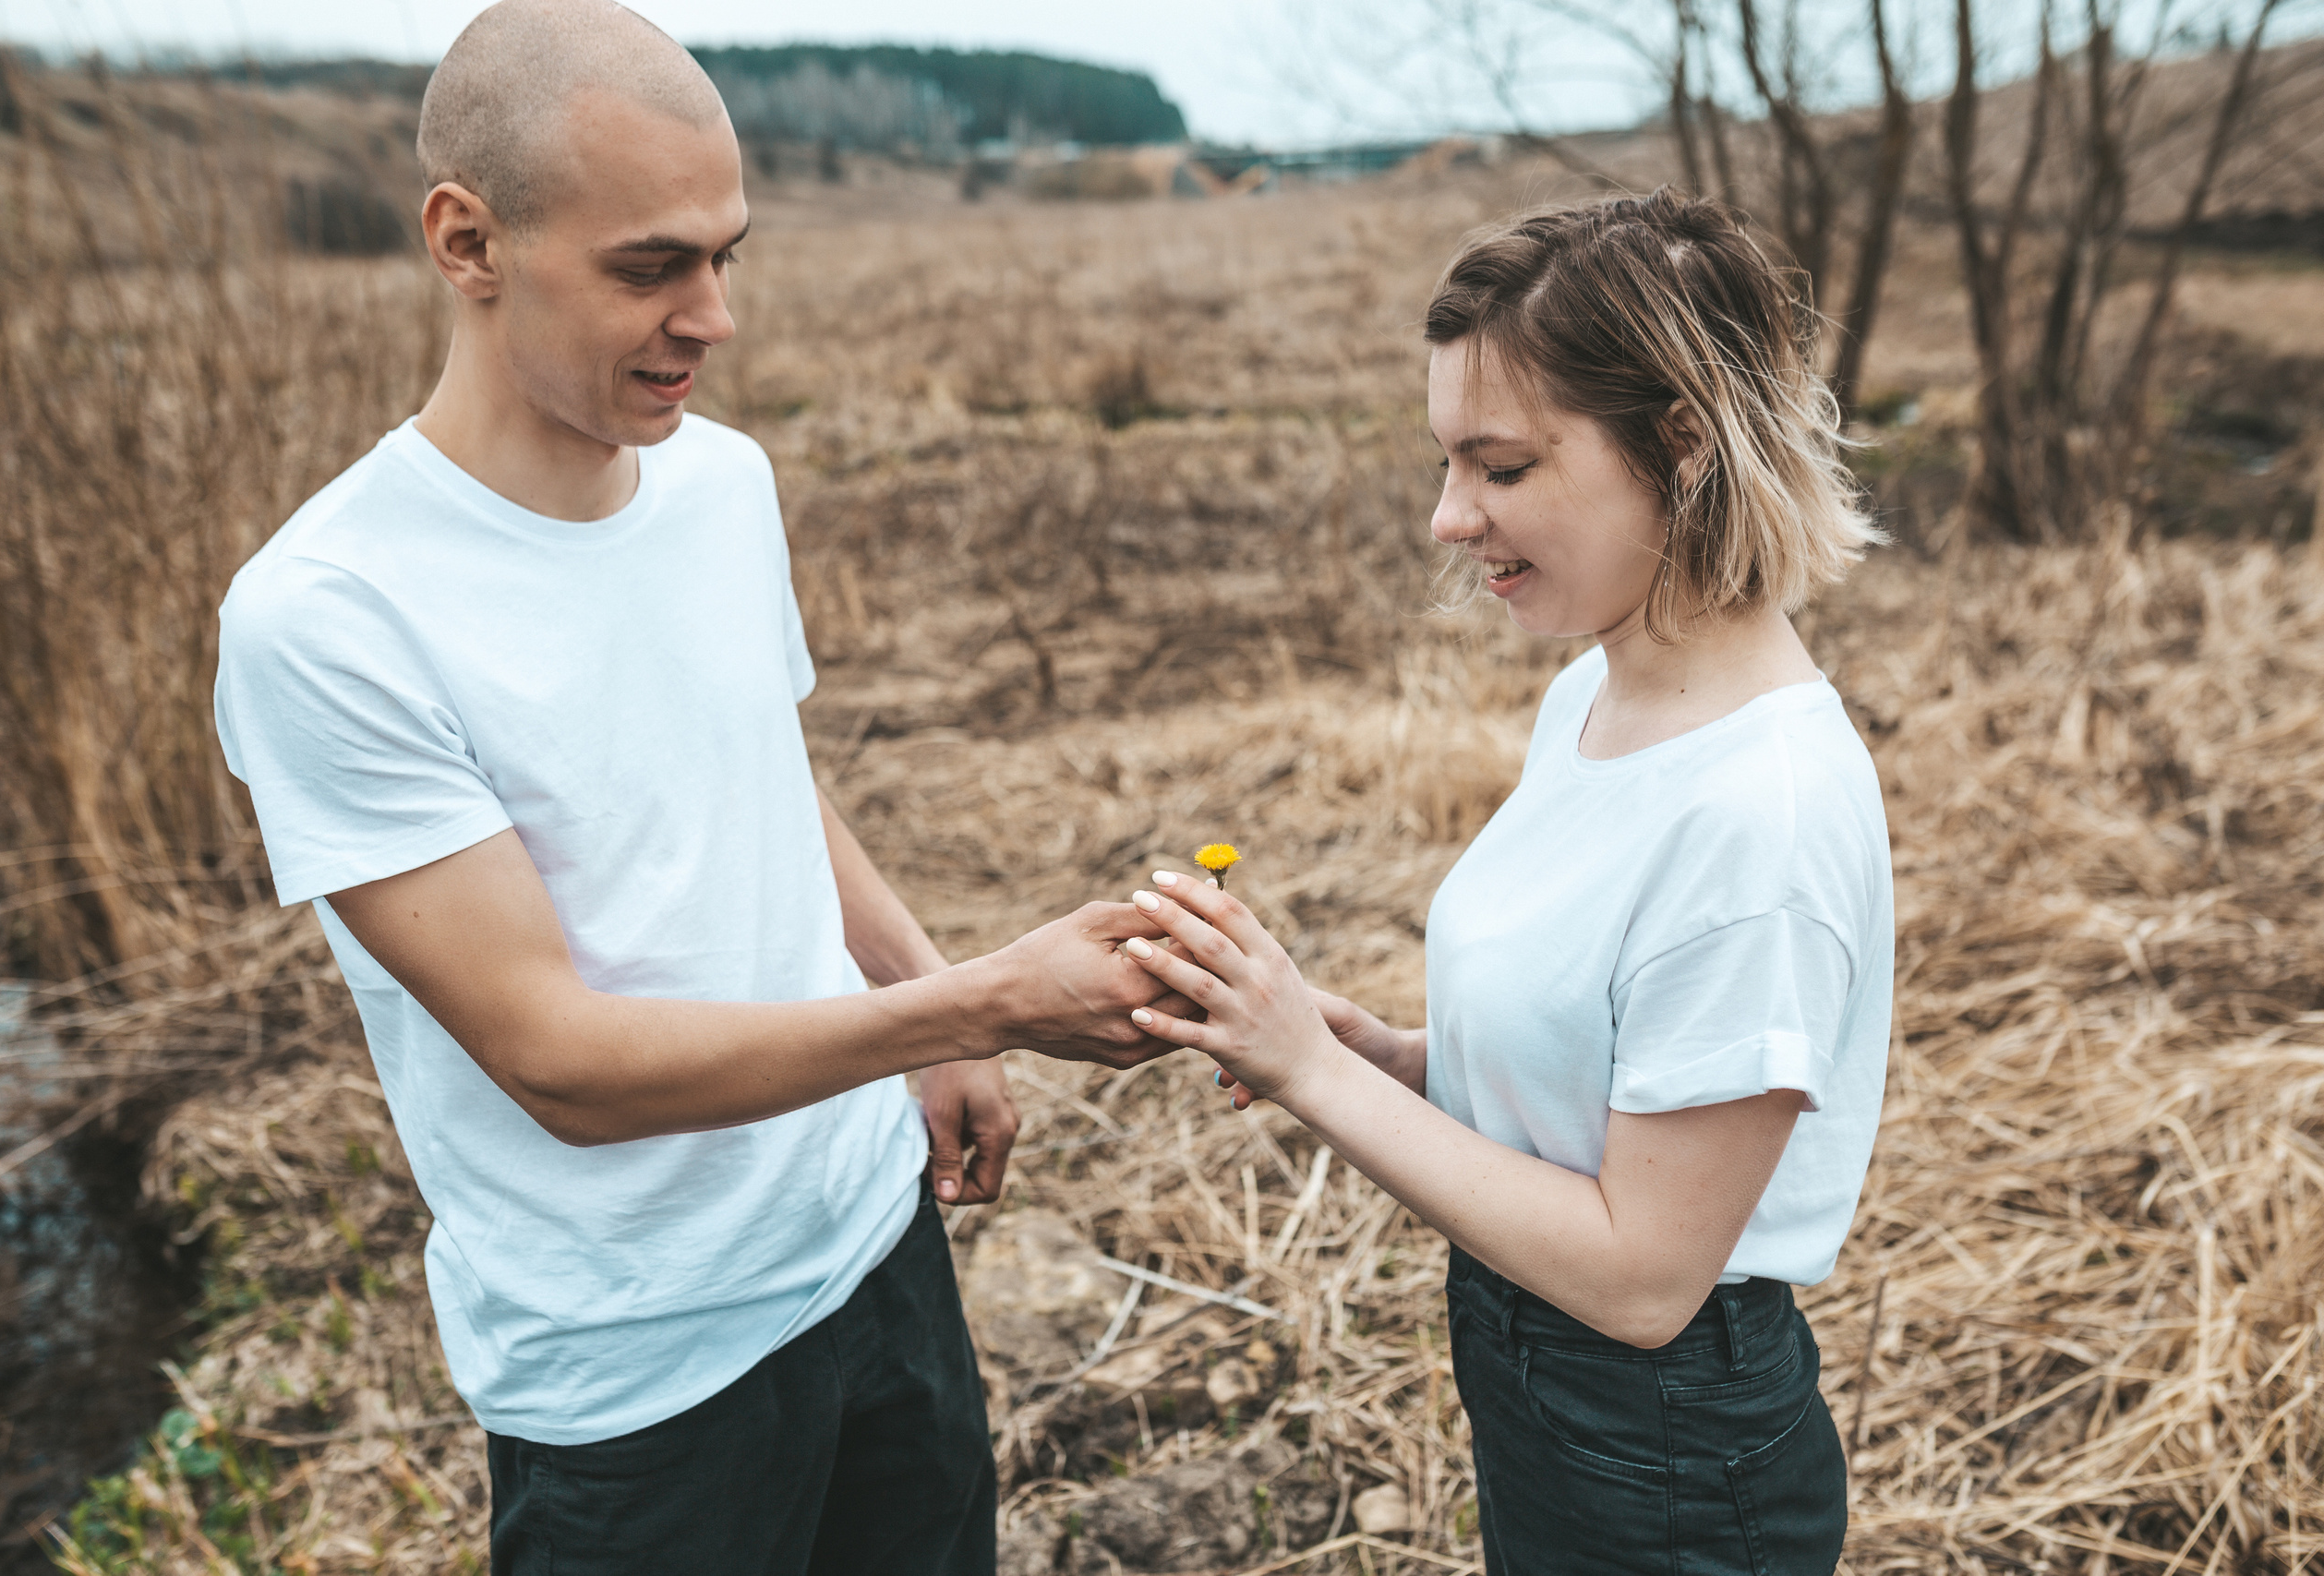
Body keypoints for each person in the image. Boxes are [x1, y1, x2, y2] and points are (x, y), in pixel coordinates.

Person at [211, 4, 1174, 1570]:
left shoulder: (724, 483)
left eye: (727, 257)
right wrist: (983, 1003)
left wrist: (926, 998)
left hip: (876, 1247)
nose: (713, 318)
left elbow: (760, 776)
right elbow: (563, 1065)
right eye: (651, 267)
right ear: (468, 242)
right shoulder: (331, 614)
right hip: (641, 1378)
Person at [1113, 193, 1894, 1574]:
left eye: (1504, 467)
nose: (1447, 518)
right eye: (1446, 463)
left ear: (1685, 446)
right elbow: (1614, 1085)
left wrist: (1312, 1073)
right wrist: (1398, 1059)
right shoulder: (1593, 698)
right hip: (1535, 1374)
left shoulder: (1757, 819)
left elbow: (1644, 1279)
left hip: (1664, 1447)